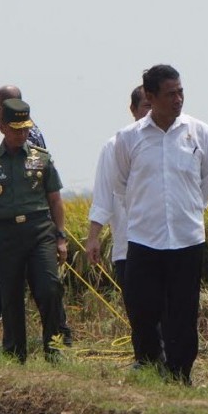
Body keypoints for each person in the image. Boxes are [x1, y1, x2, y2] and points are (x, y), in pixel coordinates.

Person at [113, 64, 208, 384]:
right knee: (144, 310)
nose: (178, 99)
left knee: (184, 314)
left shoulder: (198, 132)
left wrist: (187, 210)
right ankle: (150, 365)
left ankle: (180, 373)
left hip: (187, 239)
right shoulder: (129, 138)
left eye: (180, 92)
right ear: (150, 96)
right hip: (145, 239)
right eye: (170, 94)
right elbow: (121, 185)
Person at [0, 85, 72, 351]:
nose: (21, 133)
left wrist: (60, 234)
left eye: (24, 129)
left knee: (48, 287)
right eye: (15, 129)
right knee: (9, 295)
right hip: (7, 233)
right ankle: (9, 349)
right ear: (3, 126)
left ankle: (58, 341)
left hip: (38, 228)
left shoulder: (36, 147)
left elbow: (54, 196)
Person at [86, 85, 151, 288]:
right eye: (146, 106)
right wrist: (94, 237)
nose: (151, 112)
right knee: (140, 315)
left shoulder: (178, 141)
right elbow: (103, 197)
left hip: (170, 247)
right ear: (133, 109)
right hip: (128, 247)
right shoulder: (115, 145)